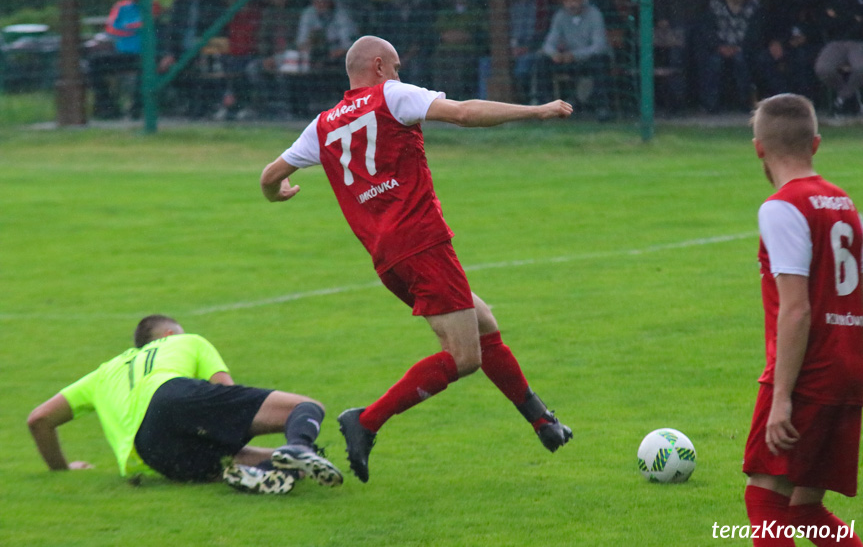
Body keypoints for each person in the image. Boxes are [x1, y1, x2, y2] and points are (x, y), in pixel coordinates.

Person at [260, 36, 574, 483]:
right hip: (422, 243)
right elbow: (463, 113)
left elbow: (269, 176)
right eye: (398, 65)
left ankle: (542, 420)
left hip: (388, 259)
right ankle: (365, 421)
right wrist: (535, 111)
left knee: (482, 322)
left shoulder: (322, 125)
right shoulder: (391, 94)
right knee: (463, 356)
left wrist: (278, 195)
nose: (401, 74)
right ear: (380, 65)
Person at [27, 315, 343, 494]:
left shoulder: (103, 372)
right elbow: (227, 395)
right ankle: (299, 447)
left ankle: (268, 467)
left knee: (235, 462)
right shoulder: (186, 340)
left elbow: (39, 419)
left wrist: (63, 469)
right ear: (168, 334)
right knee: (305, 408)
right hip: (171, 394)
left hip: (150, 453)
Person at [743, 94, 863, 546]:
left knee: (766, 499)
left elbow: (797, 309)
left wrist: (781, 398)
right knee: (805, 508)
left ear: (758, 148)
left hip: (809, 372)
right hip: (849, 369)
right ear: (816, 143)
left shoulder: (782, 207)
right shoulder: (844, 203)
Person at [537, 0, 612, 121]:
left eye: (574, 0)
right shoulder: (560, 16)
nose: (571, 4)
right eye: (567, 1)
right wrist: (555, 54)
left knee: (599, 62)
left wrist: (575, 55)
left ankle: (602, 108)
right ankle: (545, 107)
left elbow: (599, 46)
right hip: (569, 60)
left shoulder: (594, 14)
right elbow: (548, 43)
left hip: (590, 59)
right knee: (542, 61)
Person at [158, 0, 227, 118]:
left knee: (202, 69)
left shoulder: (215, 3)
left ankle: (201, 108)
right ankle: (182, 105)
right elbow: (171, 32)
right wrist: (169, 54)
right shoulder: (179, 3)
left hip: (206, 51)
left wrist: (206, 50)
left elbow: (221, 33)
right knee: (164, 67)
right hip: (181, 52)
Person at [694, 0, 762, 113]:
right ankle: (710, 106)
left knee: (741, 60)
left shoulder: (754, 3)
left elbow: (757, 31)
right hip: (719, 48)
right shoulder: (715, 4)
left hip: (745, 49)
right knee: (714, 62)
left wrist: (740, 47)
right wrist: (719, 47)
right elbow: (707, 31)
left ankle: (745, 105)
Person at [88, 0, 153, 119]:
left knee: (144, 70)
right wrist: (134, 28)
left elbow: (148, 24)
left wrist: (127, 27)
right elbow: (110, 28)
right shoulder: (121, 7)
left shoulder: (152, 5)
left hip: (145, 55)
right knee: (94, 63)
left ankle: (137, 109)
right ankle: (108, 107)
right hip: (122, 53)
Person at [754, 0, 822, 101]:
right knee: (765, 58)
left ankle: (803, 101)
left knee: (802, 58)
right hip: (783, 41)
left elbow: (822, 25)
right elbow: (771, 23)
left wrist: (807, 37)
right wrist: (775, 42)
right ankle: (780, 99)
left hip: (809, 43)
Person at [814, 0, 863, 116]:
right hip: (836, 42)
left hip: (858, 43)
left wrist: (839, 18)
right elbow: (825, 24)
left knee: (860, 68)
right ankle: (850, 96)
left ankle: (841, 100)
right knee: (823, 68)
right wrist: (853, 19)